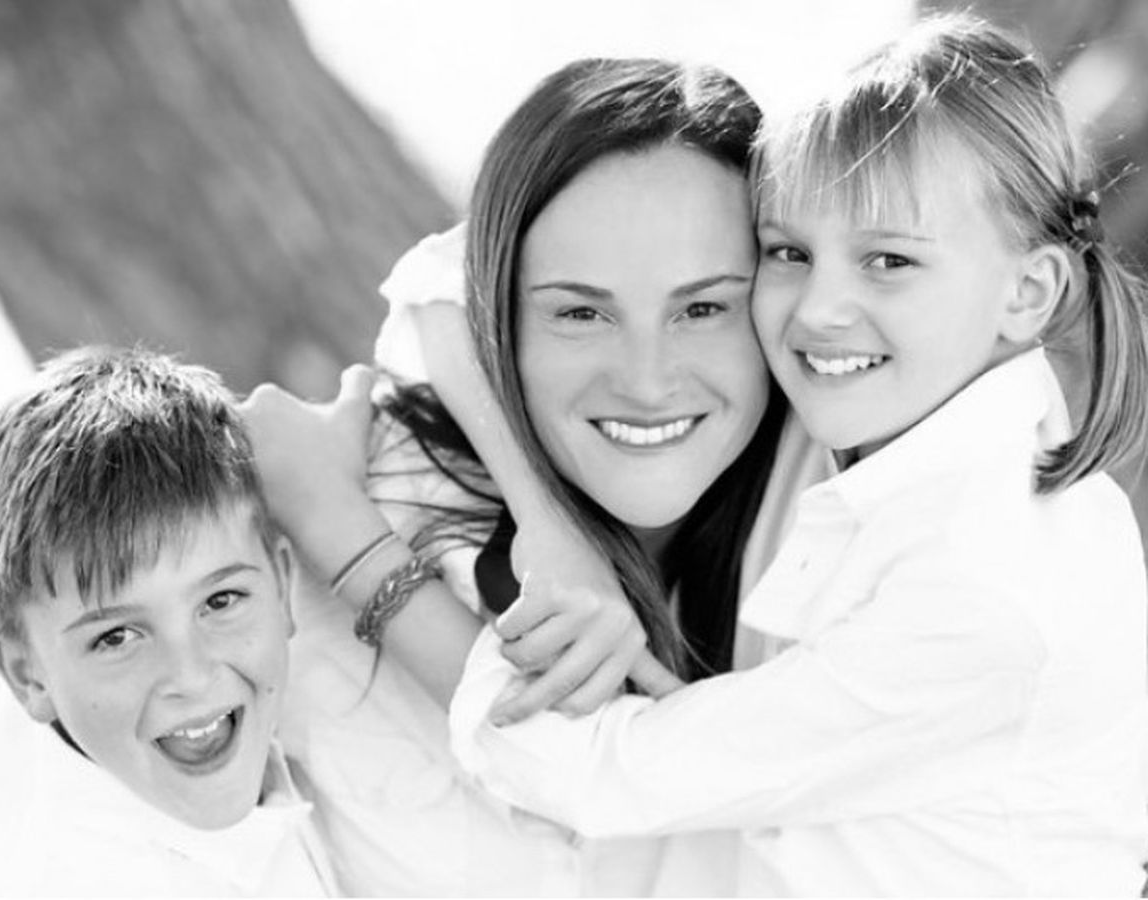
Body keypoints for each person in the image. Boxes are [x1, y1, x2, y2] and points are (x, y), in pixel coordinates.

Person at [433, 14, 1148, 896]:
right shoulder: (893, 435)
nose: (817, 310)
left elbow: (598, 775)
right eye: (789, 252)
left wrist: (381, 570)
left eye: (888, 260)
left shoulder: (985, 587)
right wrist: (553, 531)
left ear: (1028, 291)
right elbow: (445, 276)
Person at [246, 57, 827, 895]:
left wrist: (365, 544)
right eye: (580, 312)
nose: (648, 381)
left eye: (703, 308)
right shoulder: (320, 547)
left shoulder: (842, 512)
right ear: (498, 321)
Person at [0, 346, 338, 897]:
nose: (191, 676)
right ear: (26, 677)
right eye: (116, 637)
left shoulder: (24, 698)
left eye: (220, 601)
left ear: (280, 583)